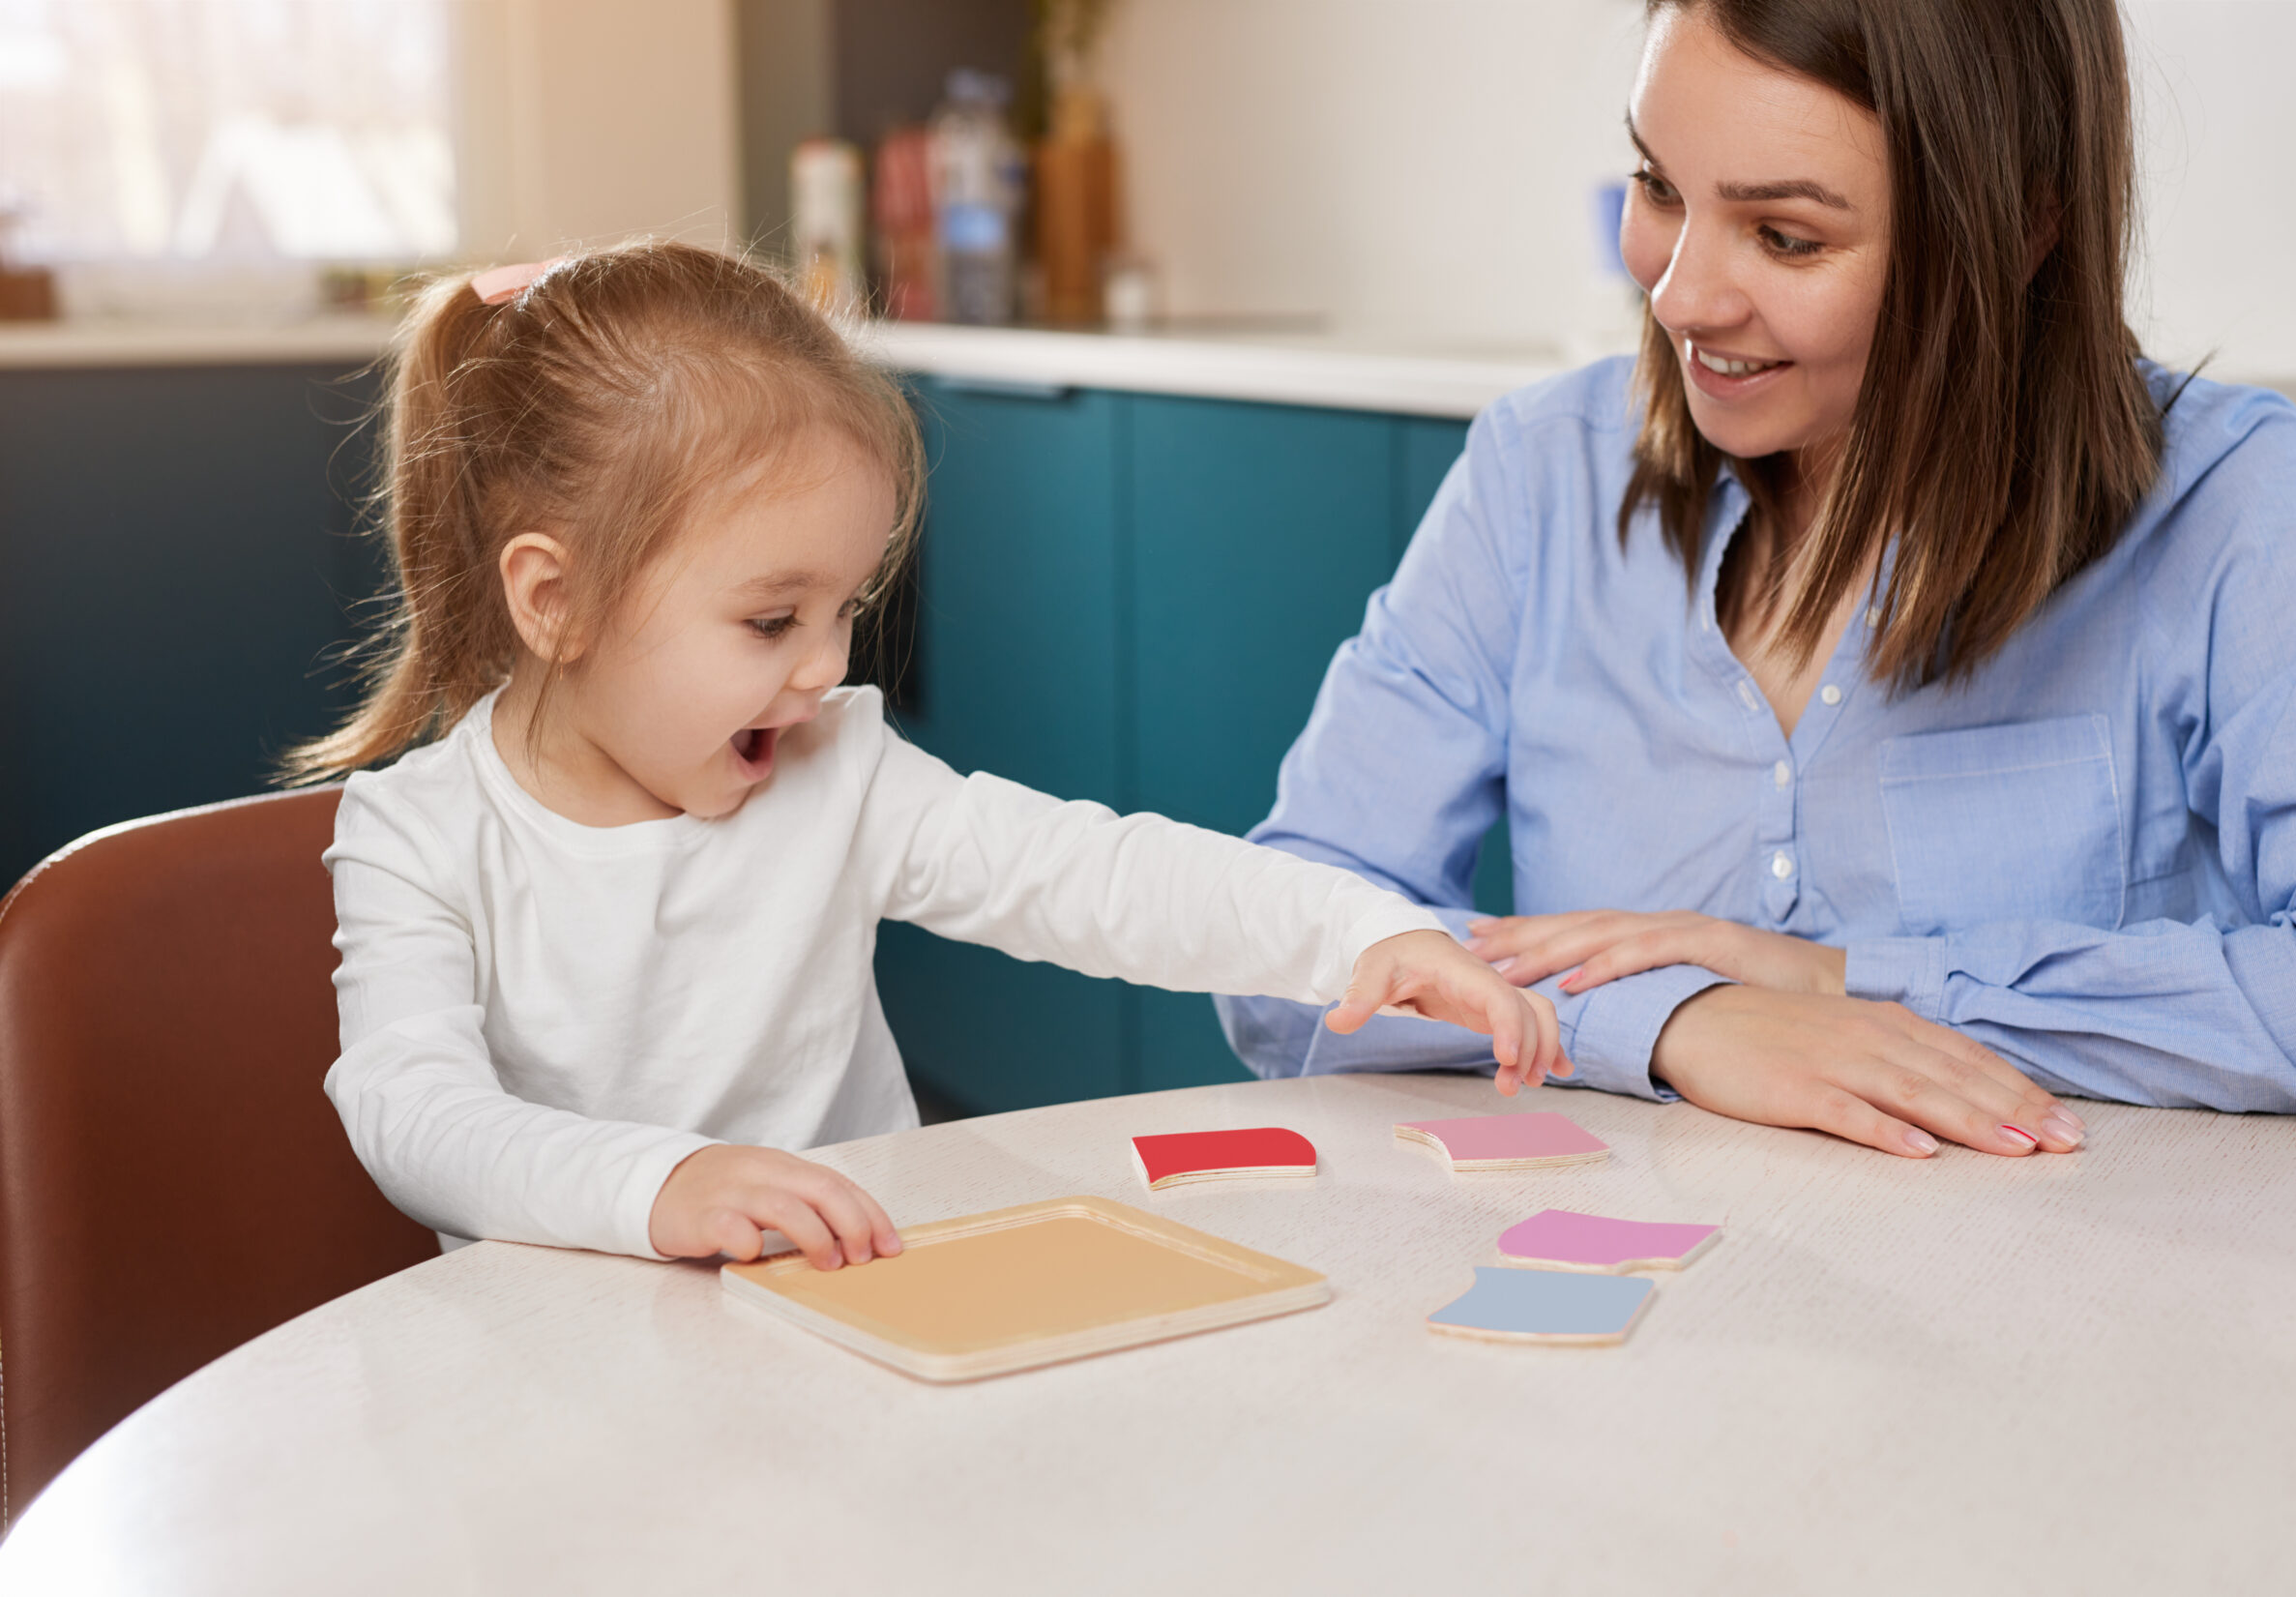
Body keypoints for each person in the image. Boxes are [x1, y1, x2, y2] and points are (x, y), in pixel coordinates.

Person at [1217, 0, 2296, 1158]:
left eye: (1785, 235)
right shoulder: (1538, 476)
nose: (1679, 293)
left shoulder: (2222, 501)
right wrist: (1678, 1022)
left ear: (2020, 225)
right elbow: (1279, 962)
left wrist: (1838, 980)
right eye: (1659, 186)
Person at [297, 243, 1566, 1271]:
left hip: (852, 1322)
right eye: (769, 620)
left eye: (850, 608)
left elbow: (1089, 875)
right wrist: (663, 1185)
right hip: (566, 1366)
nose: (827, 669)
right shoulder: (417, 839)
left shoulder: (832, 769)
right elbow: (416, 1117)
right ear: (553, 601)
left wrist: (1359, 933)